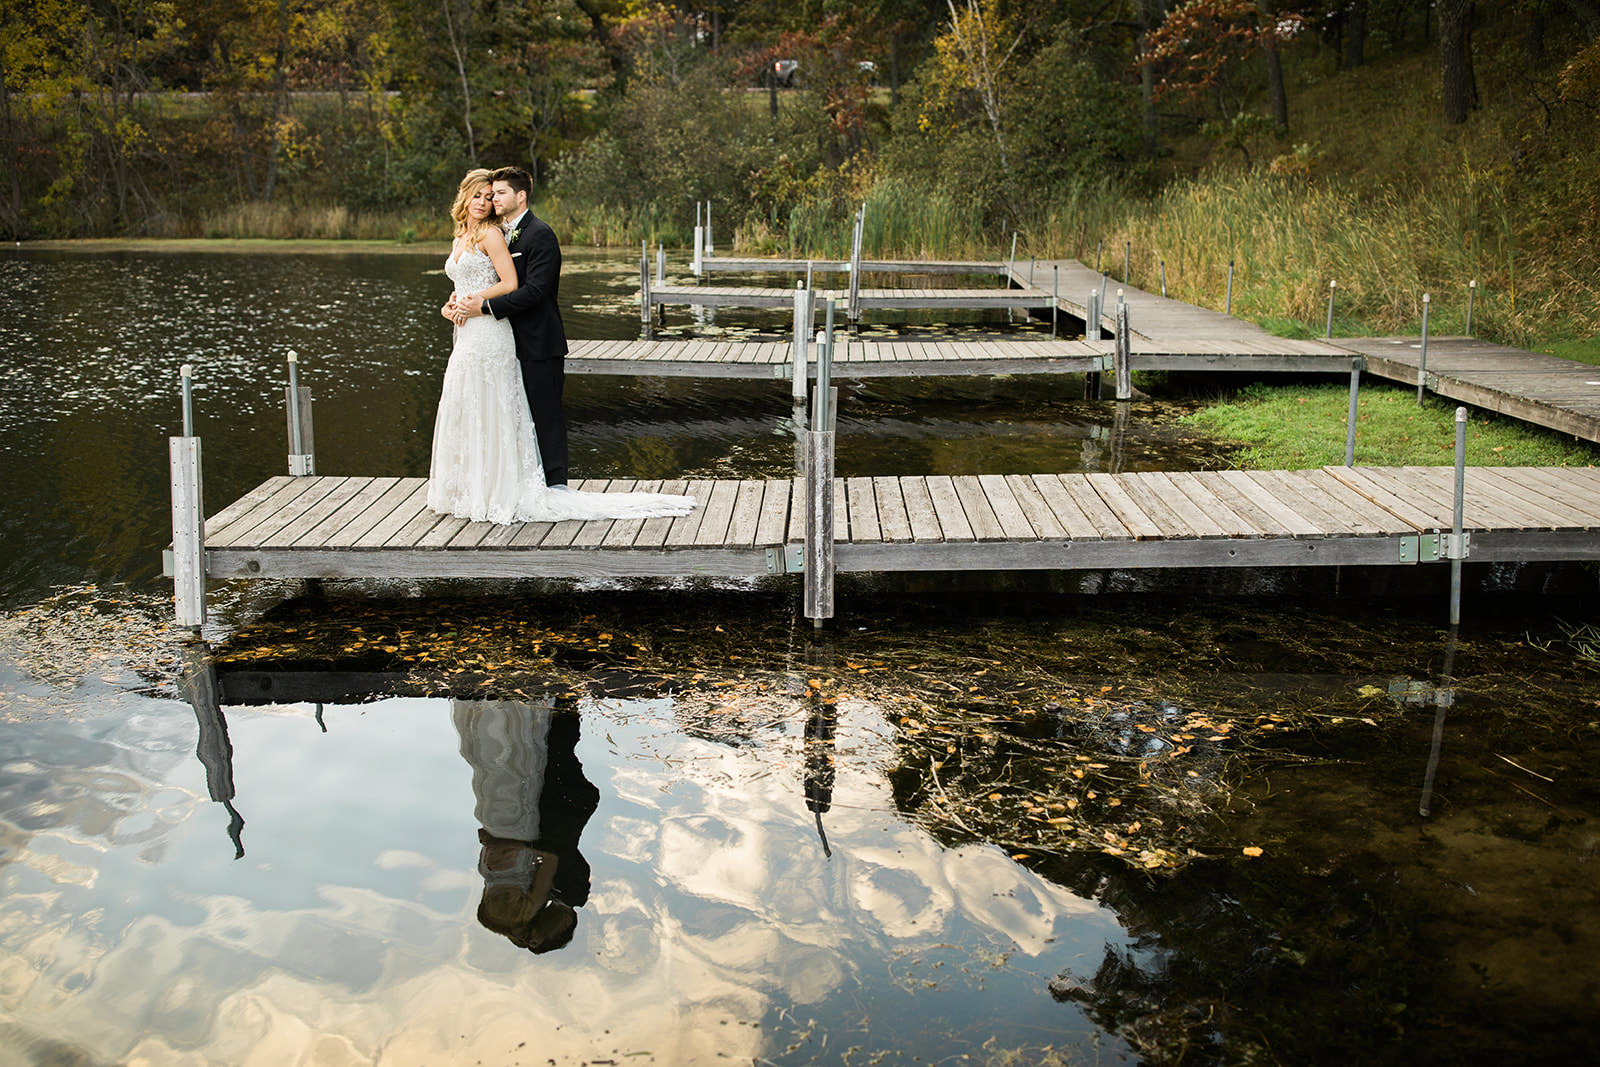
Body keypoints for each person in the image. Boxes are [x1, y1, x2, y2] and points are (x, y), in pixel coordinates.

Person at [426, 167, 695, 523]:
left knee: (545, 417)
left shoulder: (540, 235)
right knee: (498, 411)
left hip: (538, 341)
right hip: (492, 336)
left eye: (497, 194)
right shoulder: (496, 233)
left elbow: (533, 291)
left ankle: (555, 489)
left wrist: (482, 305)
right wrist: (457, 304)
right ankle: (485, 483)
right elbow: (478, 280)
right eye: (487, 195)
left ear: (520, 196)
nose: (491, 201)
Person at [453, 698, 600, 955]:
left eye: (529, 938)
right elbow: (555, 854)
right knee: (555, 750)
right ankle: (563, 705)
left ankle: (547, 711)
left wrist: (513, 929)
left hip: (540, 808)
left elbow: (503, 909)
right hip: (563, 807)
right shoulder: (574, 894)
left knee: (534, 754)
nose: (531, 936)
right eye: (535, 939)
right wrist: (512, 845)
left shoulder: (524, 902)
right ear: (565, 924)